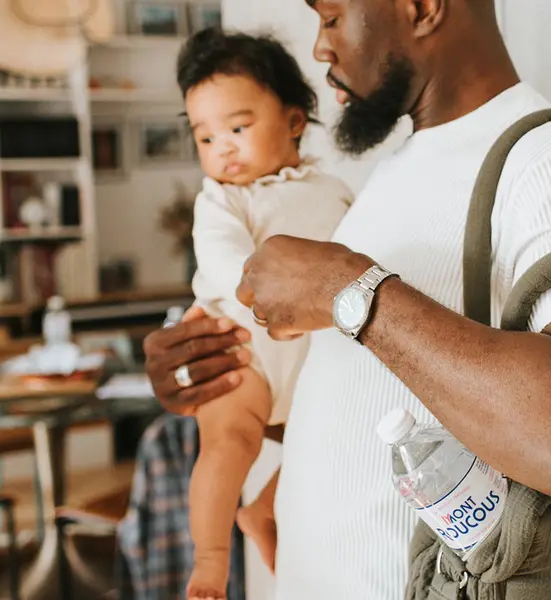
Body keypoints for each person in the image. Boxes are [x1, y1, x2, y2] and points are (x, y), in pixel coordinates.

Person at [143, 2, 551, 599]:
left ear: (421, 7)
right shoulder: (391, 176)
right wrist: (216, 378)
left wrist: (346, 288)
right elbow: (394, 393)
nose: (320, 49)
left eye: (332, 17)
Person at [174, 27, 352, 599]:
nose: (221, 148)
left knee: (329, 438)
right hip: (242, 351)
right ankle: (210, 560)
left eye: (237, 128)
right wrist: (268, 300)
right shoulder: (223, 198)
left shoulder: (333, 191)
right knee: (228, 444)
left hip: (311, 359)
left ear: (294, 121)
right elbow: (222, 258)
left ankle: (264, 508)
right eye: (205, 137)